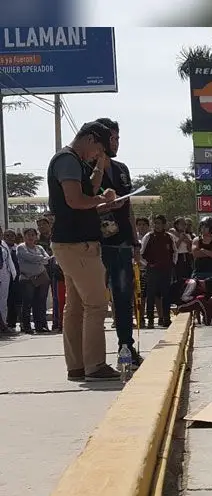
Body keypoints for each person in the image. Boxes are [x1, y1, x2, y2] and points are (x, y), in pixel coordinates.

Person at [48, 121, 121, 381]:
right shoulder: (67, 160)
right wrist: (102, 200)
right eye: (98, 148)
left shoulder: (74, 161)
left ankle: (77, 366)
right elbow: (75, 200)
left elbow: (88, 188)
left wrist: (100, 166)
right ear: (89, 139)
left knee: (76, 307)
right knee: (96, 304)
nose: (97, 154)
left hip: (71, 243)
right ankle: (95, 365)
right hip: (77, 244)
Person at [95, 118, 143, 364]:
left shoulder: (122, 169)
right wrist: (103, 206)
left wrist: (135, 242)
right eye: (113, 138)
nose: (117, 143)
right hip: (97, 245)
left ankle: (126, 348)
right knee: (93, 301)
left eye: (117, 138)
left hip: (122, 243)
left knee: (123, 297)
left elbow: (130, 208)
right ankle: (91, 357)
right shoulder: (86, 169)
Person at [141, 215, 176, 329]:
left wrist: (172, 264)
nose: (157, 225)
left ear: (164, 224)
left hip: (166, 270)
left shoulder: (169, 237)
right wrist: (148, 265)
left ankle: (166, 318)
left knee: (166, 295)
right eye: (155, 223)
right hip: (152, 270)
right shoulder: (149, 236)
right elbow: (141, 253)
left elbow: (174, 252)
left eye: (159, 223)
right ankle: (150, 320)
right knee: (150, 295)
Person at [16, 227, 52, 334]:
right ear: (24, 236)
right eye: (28, 235)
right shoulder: (21, 247)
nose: (30, 237)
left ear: (36, 236)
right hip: (27, 278)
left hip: (41, 277)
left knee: (40, 303)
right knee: (27, 303)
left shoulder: (40, 247)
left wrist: (39, 258)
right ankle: (26, 326)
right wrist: (40, 259)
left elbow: (47, 260)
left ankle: (41, 325)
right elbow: (28, 257)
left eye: (33, 235)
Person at [0, 230, 17, 334]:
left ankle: (3, 324)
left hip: (5, 275)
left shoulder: (3, 245)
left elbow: (8, 260)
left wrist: (12, 273)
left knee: (3, 301)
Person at [170, 217, 194, 281]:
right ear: (176, 225)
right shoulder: (172, 236)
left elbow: (189, 250)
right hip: (178, 257)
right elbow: (174, 248)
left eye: (185, 224)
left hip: (187, 257)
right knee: (179, 277)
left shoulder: (188, 235)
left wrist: (189, 242)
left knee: (188, 276)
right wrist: (180, 239)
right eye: (182, 224)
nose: (184, 226)